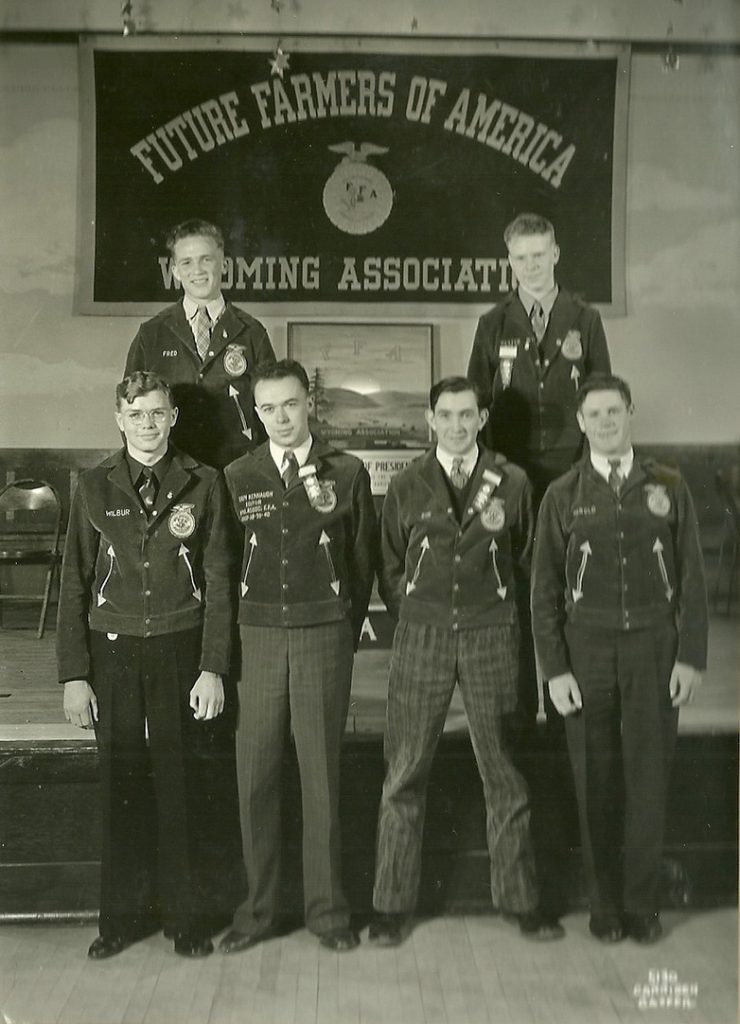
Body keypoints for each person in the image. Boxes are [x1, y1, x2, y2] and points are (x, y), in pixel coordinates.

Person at [368, 376, 563, 947]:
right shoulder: (406, 484)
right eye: (445, 415)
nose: (456, 425)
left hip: (492, 636)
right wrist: (420, 607)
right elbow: (389, 564)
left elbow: (528, 561)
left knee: (504, 772)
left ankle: (522, 902)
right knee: (403, 772)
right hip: (422, 637)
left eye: (466, 415)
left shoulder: (515, 482)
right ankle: (390, 906)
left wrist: (492, 611)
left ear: (481, 420)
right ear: (428, 420)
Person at [57, 371, 233, 959]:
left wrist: (212, 666)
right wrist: (75, 675)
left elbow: (220, 581)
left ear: (174, 417)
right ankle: (120, 921)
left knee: (182, 783)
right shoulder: (93, 487)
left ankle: (187, 919)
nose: (148, 425)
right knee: (121, 783)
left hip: (180, 649)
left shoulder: (204, 482)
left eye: (158, 413)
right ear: (119, 418)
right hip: (112, 650)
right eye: (137, 415)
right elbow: (72, 588)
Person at [531, 373, 708, 944]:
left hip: (653, 649)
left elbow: (693, 578)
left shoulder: (668, 485)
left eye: (615, 412)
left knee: (648, 779)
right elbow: (542, 591)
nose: (606, 422)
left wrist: (690, 658)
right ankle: (604, 907)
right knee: (595, 780)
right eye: (595, 415)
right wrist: (555, 669)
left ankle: (642, 907)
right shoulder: (562, 494)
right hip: (586, 652)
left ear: (631, 414)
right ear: (581, 424)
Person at [219, 359, 377, 954]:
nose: (280, 418)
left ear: (309, 403)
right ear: (256, 412)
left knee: (321, 779)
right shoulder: (238, 474)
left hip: (322, 636)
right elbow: (225, 564)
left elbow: (361, 565)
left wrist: (340, 626)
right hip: (257, 637)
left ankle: (329, 914)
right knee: (254, 777)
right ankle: (257, 912)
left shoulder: (348, 472)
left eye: (289, 404)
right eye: (267, 409)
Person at [467, 212, 611, 504]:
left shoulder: (586, 318)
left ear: (555, 254)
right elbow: (476, 398)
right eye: (520, 258)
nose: (530, 266)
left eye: (538, 255)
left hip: (572, 460)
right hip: (509, 462)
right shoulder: (492, 323)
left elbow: (603, 394)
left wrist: (592, 458)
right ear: (510, 261)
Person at [125, 219, 276, 469]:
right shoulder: (151, 334)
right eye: (187, 262)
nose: (197, 270)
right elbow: (130, 409)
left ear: (224, 264)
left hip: (236, 473)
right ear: (175, 270)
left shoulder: (252, 332)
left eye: (206, 259)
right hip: (172, 475)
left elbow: (271, 411)